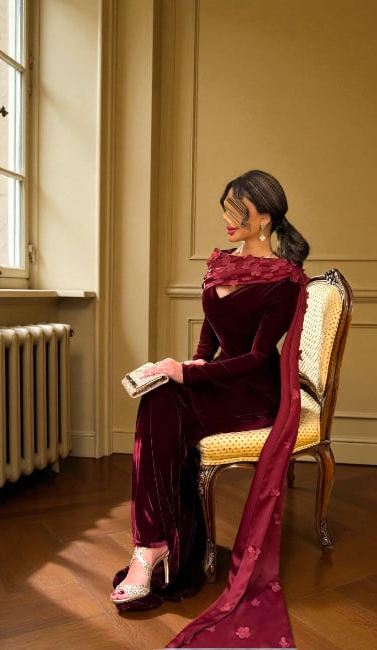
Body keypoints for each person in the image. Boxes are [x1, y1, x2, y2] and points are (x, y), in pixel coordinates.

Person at [111, 169, 310, 648]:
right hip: (219, 379)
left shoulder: (284, 281)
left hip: (254, 393)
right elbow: (210, 337)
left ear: (265, 218)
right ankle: (153, 545)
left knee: (167, 398)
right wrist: (190, 363)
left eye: (238, 210)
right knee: (158, 396)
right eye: (226, 208)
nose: (227, 218)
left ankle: (152, 548)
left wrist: (189, 373)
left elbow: (258, 358)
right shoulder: (221, 262)